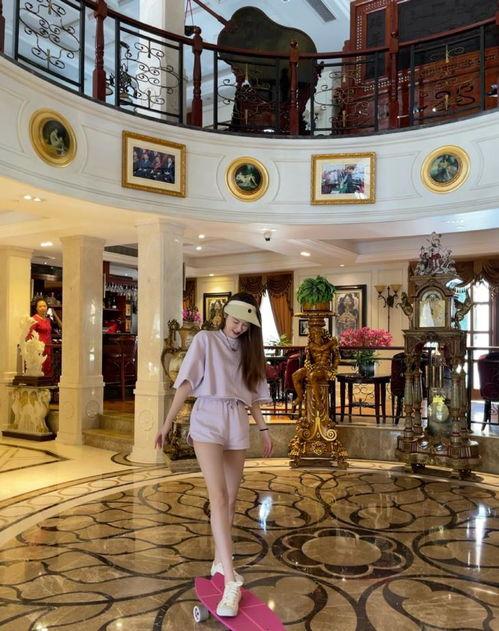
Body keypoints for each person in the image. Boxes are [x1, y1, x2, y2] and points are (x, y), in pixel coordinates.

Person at [155, 292, 272, 618]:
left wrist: (263, 429)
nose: (239, 328)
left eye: (245, 325)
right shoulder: (205, 340)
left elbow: (253, 397)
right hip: (207, 418)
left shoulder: (248, 351)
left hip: (236, 421)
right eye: (235, 321)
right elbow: (186, 383)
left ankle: (220, 560)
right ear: (225, 315)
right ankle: (231, 580)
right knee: (218, 497)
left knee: (231, 500)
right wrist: (167, 423)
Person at [28, 297, 62, 377]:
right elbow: (29, 335)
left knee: (48, 367)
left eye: (44, 306)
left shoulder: (48, 320)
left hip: (48, 347)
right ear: (36, 308)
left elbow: (59, 326)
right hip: (39, 348)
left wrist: (54, 313)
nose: (43, 308)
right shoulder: (34, 319)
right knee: (40, 368)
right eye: (40, 306)